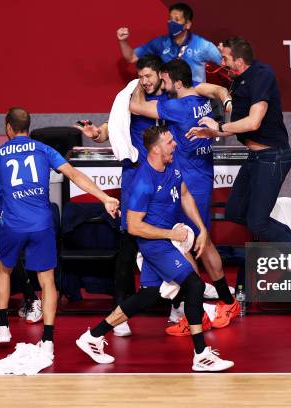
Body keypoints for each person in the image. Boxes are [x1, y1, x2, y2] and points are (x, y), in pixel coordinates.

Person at [78, 56, 233, 335]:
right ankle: (122, 311)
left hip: (170, 179)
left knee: (180, 239)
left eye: (149, 76)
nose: (145, 81)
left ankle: (185, 305)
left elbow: (203, 90)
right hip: (138, 178)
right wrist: (98, 133)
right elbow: (113, 124)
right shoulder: (139, 99)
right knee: (130, 244)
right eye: (141, 76)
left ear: (163, 77)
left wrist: (219, 93)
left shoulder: (170, 99)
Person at [75, 125, 234, 372]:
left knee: (150, 295)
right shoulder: (143, 182)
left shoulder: (172, 166)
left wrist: (202, 229)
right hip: (154, 243)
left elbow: (185, 195)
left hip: (166, 239)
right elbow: (134, 227)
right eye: (170, 142)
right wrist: (172, 234)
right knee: (194, 285)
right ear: (156, 148)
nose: (175, 145)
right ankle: (201, 354)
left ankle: (93, 336)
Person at [0, 108, 119, 353]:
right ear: (28, 126)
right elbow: (75, 175)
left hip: (13, 225)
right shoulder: (44, 149)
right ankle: (47, 340)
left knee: (4, 269)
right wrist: (104, 198)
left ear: (8, 128)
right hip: (42, 224)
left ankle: (3, 326)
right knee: (47, 281)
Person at [129, 59, 240, 332]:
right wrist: (224, 99)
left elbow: (135, 106)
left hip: (190, 182)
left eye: (164, 81)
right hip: (198, 176)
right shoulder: (199, 97)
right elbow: (216, 90)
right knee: (200, 242)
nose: (162, 85)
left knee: (193, 245)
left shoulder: (176, 105)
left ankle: (206, 310)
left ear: (177, 82)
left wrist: (135, 84)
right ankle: (215, 305)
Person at [186, 37, 291, 251]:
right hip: (255, 157)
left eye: (225, 58)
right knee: (235, 211)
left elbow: (253, 122)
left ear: (239, 61)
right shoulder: (238, 79)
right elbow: (231, 105)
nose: (221, 63)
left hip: (272, 156)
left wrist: (219, 128)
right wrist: (212, 129)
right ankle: (288, 236)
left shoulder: (262, 75)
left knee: (258, 222)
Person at [116, 2, 221, 84]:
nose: (172, 23)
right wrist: (123, 41)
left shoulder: (203, 45)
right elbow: (131, 57)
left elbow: (225, 65)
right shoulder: (161, 43)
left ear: (187, 24)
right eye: (170, 19)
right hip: (169, 100)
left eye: (177, 19)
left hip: (195, 101)